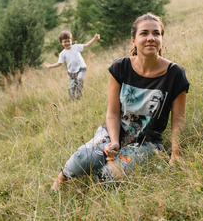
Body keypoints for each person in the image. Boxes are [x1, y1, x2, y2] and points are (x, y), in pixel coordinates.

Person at [51, 13, 189, 189]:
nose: (151, 38)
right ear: (133, 40)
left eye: (156, 33)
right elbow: (113, 112)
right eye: (144, 33)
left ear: (162, 38)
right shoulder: (120, 67)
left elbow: (178, 121)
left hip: (146, 142)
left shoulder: (175, 74)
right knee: (84, 157)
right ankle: (60, 182)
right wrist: (114, 142)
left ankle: (101, 185)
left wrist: (176, 153)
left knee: (109, 176)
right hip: (113, 132)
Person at [44, 31, 100, 100]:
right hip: (72, 72)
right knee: (71, 88)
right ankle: (71, 101)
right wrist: (51, 66)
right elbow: (59, 63)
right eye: (65, 42)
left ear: (71, 40)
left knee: (80, 78)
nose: (67, 43)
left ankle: (79, 94)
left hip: (81, 68)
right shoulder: (62, 53)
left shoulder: (76, 47)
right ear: (61, 43)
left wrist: (94, 39)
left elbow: (86, 45)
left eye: (68, 41)